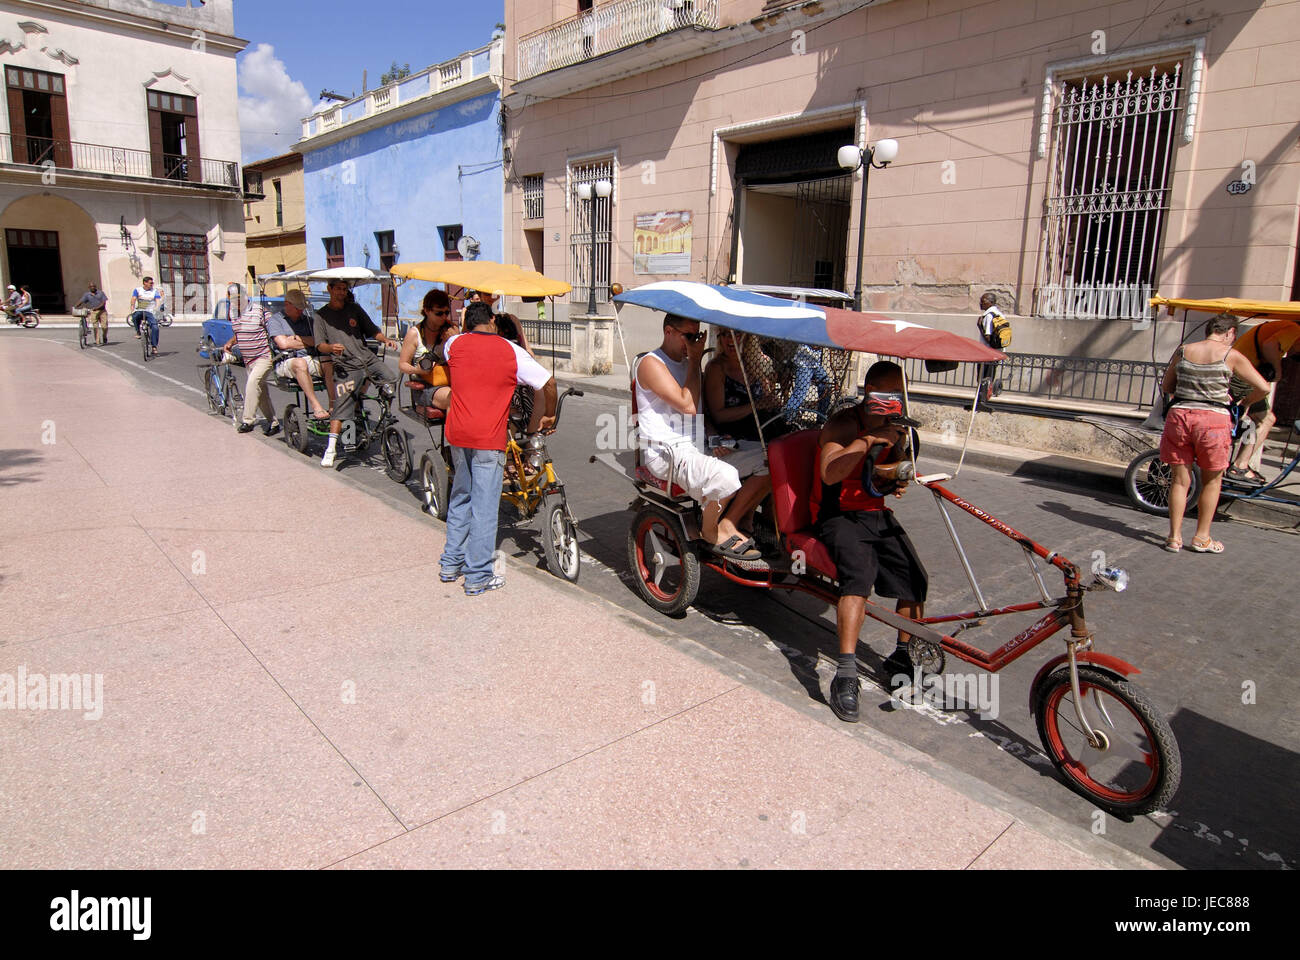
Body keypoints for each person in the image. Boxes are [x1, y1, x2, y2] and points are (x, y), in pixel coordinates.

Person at [816, 361, 928, 723]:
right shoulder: (844, 424)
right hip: (839, 516)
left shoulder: (897, 427)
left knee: (915, 577)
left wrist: (894, 479)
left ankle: (901, 653)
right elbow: (829, 473)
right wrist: (865, 441)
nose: (896, 400)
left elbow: (885, 472)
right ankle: (845, 675)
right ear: (870, 392)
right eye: (888, 393)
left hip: (874, 513)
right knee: (858, 580)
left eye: (900, 392)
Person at [439, 301, 557, 596]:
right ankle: (478, 575)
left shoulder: (454, 343)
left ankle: (450, 564)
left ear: (468, 322)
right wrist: (549, 413)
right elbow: (547, 381)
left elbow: (447, 349)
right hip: (488, 439)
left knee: (461, 496)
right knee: (484, 506)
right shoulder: (511, 351)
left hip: (457, 433)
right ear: (492, 321)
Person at [635, 314, 770, 561]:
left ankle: (729, 522)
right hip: (667, 453)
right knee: (726, 477)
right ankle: (710, 530)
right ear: (668, 332)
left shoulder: (689, 365)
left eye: (698, 336)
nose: (694, 343)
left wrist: (714, 435)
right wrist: (696, 360)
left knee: (768, 459)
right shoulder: (651, 363)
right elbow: (687, 405)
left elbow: (699, 412)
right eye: (689, 336)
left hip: (698, 447)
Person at [1159, 313, 1268, 554]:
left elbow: (1168, 386)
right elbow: (1263, 386)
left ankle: (1174, 537)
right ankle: (1201, 537)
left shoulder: (1184, 351)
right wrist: (1245, 402)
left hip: (1180, 417)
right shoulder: (1231, 355)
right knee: (1212, 480)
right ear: (1230, 333)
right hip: (1213, 421)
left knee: (1179, 480)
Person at [313, 278, 399, 468]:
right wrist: (331, 347)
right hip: (346, 366)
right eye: (338, 289)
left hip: (366, 358)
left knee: (391, 378)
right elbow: (320, 344)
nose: (341, 293)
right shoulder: (321, 316)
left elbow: (371, 330)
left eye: (344, 289)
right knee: (342, 407)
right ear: (329, 289)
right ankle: (331, 448)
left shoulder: (355, 309)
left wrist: (385, 340)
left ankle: (386, 413)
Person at [1227, 319, 1300, 484]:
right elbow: (1269, 345)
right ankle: (1237, 466)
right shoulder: (1294, 329)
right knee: (1246, 419)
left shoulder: (1283, 327)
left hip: (1243, 372)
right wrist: (1277, 369)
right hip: (1243, 374)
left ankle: (1239, 466)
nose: (1294, 353)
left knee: (1265, 419)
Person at [704, 328, 781, 443]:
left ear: (748, 338)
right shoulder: (716, 368)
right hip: (734, 437)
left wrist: (772, 401)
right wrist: (755, 406)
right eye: (725, 334)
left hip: (764, 432)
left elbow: (766, 399)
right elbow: (718, 416)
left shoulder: (755, 364)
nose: (730, 338)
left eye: (736, 333)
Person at [266, 289, 330, 421]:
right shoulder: (276, 320)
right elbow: (283, 344)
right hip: (286, 361)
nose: (300, 311)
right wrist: (307, 341)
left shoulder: (308, 320)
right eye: (297, 308)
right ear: (287, 304)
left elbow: (318, 341)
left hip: (310, 358)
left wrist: (295, 338)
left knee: (329, 362)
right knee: (300, 363)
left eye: (302, 308)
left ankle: (333, 404)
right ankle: (316, 405)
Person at [222, 290, 280, 436]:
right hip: (248, 360)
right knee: (261, 394)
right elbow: (239, 332)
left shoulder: (259, 310)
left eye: (238, 297)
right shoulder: (233, 313)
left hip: (263, 357)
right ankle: (274, 422)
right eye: (232, 298)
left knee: (252, 384)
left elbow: (273, 327)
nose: (236, 300)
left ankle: (248, 421)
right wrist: (230, 343)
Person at [399, 290, 457, 413]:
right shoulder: (415, 334)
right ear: (427, 311)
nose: (444, 317)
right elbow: (403, 364)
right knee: (454, 399)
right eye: (439, 313)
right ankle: (453, 433)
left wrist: (454, 340)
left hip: (451, 381)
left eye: (446, 312)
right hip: (425, 386)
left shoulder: (451, 329)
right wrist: (417, 370)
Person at [975, 291, 1005, 401]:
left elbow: (988, 337)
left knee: (983, 377)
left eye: (983, 301)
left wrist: (980, 327)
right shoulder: (999, 314)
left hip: (987, 351)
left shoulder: (988, 316)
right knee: (990, 375)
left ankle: (982, 399)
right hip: (997, 351)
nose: (981, 303)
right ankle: (987, 395)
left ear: (991, 302)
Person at [129, 276, 165, 356]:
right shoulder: (138, 290)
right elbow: (134, 298)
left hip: (150, 311)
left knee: (155, 328)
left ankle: (154, 347)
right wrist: (132, 307)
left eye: (152, 283)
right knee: (135, 316)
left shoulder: (155, 291)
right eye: (150, 283)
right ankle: (138, 332)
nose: (152, 284)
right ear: (145, 283)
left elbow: (157, 300)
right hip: (140, 309)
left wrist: (156, 309)